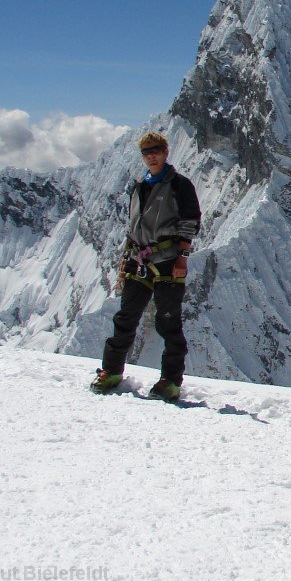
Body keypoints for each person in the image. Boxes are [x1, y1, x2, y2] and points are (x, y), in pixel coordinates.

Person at [90, 132, 201, 400]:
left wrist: (182, 258)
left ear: (166, 152)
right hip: (138, 259)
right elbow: (134, 223)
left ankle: (171, 381)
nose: (151, 155)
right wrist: (127, 255)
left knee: (168, 322)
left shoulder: (179, 185)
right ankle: (112, 370)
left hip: (167, 261)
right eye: (146, 152)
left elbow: (191, 222)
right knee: (126, 318)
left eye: (156, 150)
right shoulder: (140, 185)